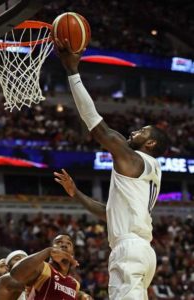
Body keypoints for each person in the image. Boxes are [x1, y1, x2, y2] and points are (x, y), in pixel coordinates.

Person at [54, 38, 170, 300]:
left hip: (129, 250)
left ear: (150, 143)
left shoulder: (134, 160)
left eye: (141, 131)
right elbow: (110, 214)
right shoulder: (148, 171)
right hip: (141, 251)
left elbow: (97, 126)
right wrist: (77, 194)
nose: (134, 131)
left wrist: (73, 72)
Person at [11, 234, 92, 300]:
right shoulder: (42, 268)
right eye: (59, 242)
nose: (64, 245)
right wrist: (48, 251)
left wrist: (84, 296)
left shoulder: (75, 284)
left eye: (68, 243)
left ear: (72, 253)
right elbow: (15, 274)